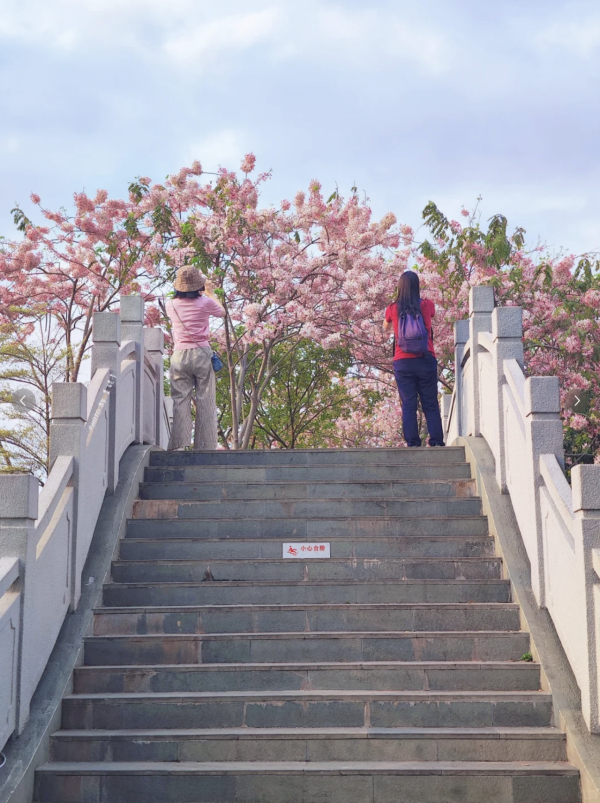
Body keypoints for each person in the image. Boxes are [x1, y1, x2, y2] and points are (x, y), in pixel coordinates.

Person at [166, 266, 225, 451]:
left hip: (179, 355)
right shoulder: (205, 302)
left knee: (180, 399)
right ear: (197, 285)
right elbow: (222, 312)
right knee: (205, 399)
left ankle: (179, 445)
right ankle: (206, 446)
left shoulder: (170, 305)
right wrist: (210, 293)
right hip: (201, 353)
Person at [383, 270, 445, 448]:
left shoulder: (393, 308)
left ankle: (412, 443)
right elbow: (434, 317)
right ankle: (437, 442)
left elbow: (385, 327)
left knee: (409, 404)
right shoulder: (426, 305)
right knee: (430, 403)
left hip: (403, 362)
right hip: (425, 358)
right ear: (417, 286)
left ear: (400, 287)